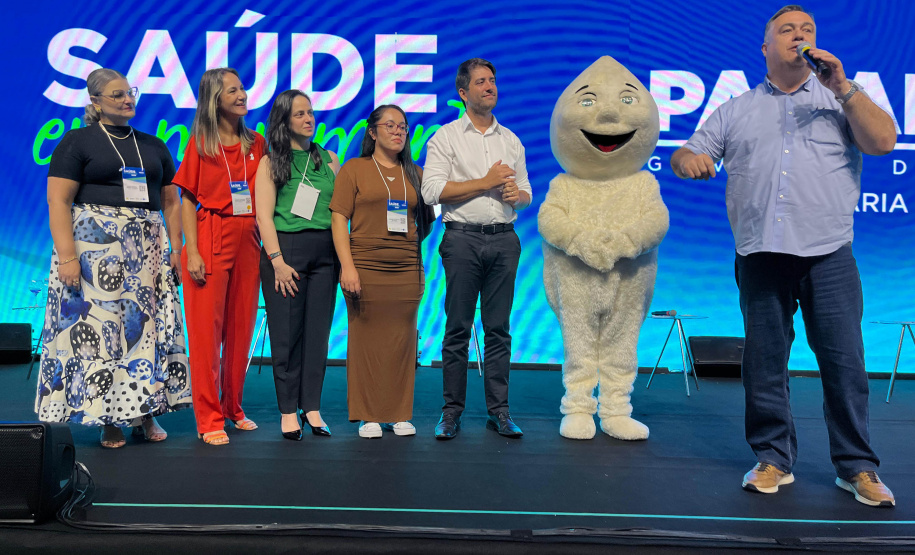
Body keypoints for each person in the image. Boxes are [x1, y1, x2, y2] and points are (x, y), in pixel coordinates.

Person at [671, 5, 897, 506]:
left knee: (845, 365)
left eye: (808, 30)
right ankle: (773, 458)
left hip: (829, 255)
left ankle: (857, 467)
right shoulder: (737, 108)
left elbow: (884, 141)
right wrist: (692, 161)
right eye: (787, 30)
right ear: (766, 48)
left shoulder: (843, 97)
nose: (800, 36)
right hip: (760, 256)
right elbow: (686, 151)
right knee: (764, 365)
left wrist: (842, 85)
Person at [36, 68, 190, 448]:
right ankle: (108, 418)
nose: (127, 99)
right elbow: (59, 200)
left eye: (130, 92)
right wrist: (68, 257)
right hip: (94, 254)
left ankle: (145, 412)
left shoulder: (153, 145)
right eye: (117, 94)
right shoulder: (78, 141)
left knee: (146, 330)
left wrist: (176, 247)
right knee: (104, 332)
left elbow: (171, 200)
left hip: (147, 253)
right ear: (95, 102)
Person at [421, 58, 532, 440]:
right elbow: (431, 191)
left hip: (504, 238)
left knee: (498, 331)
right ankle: (451, 412)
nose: (490, 86)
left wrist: (518, 195)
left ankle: (499, 412)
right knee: (458, 330)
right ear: (463, 92)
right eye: (481, 82)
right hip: (463, 238)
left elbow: (526, 193)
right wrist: (484, 182)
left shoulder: (511, 140)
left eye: (493, 80)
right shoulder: (446, 137)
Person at [174, 68, 266, 446]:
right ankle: (208, 417)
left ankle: (233, 407)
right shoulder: (201, 143)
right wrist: (191, 250)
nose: (242, 95)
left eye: (243, 88)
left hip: (249, 238)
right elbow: (187, 199)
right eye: (233, 90)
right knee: (206, 334)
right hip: (210, 235)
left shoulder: (256, 143)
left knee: (240, 329)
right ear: (216, 99)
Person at [330, 105, 434, 438]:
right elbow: (338, 220)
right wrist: (348, 266)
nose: (398, 131)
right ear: (372, 132)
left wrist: (405, 249)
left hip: (406, 269)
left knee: (403, 341)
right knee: (366, 341)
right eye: (389, 125)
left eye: (403, 126)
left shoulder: (416, 173)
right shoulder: (354, 169)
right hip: (364, 266)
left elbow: (426, 223)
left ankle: (399, 412)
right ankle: (369, 414)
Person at [254, 90, 340, 441]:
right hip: (286, 251)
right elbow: (263, 215)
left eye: (311, 112)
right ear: (285, 121)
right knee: (287, 335)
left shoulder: (330, 159)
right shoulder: (271, 161)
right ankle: (288, 411)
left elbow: (339, 211)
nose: (309, 119)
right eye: (300, 114)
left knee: (318, 336)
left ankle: (312, 407)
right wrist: (277, 261)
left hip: (326, 252)